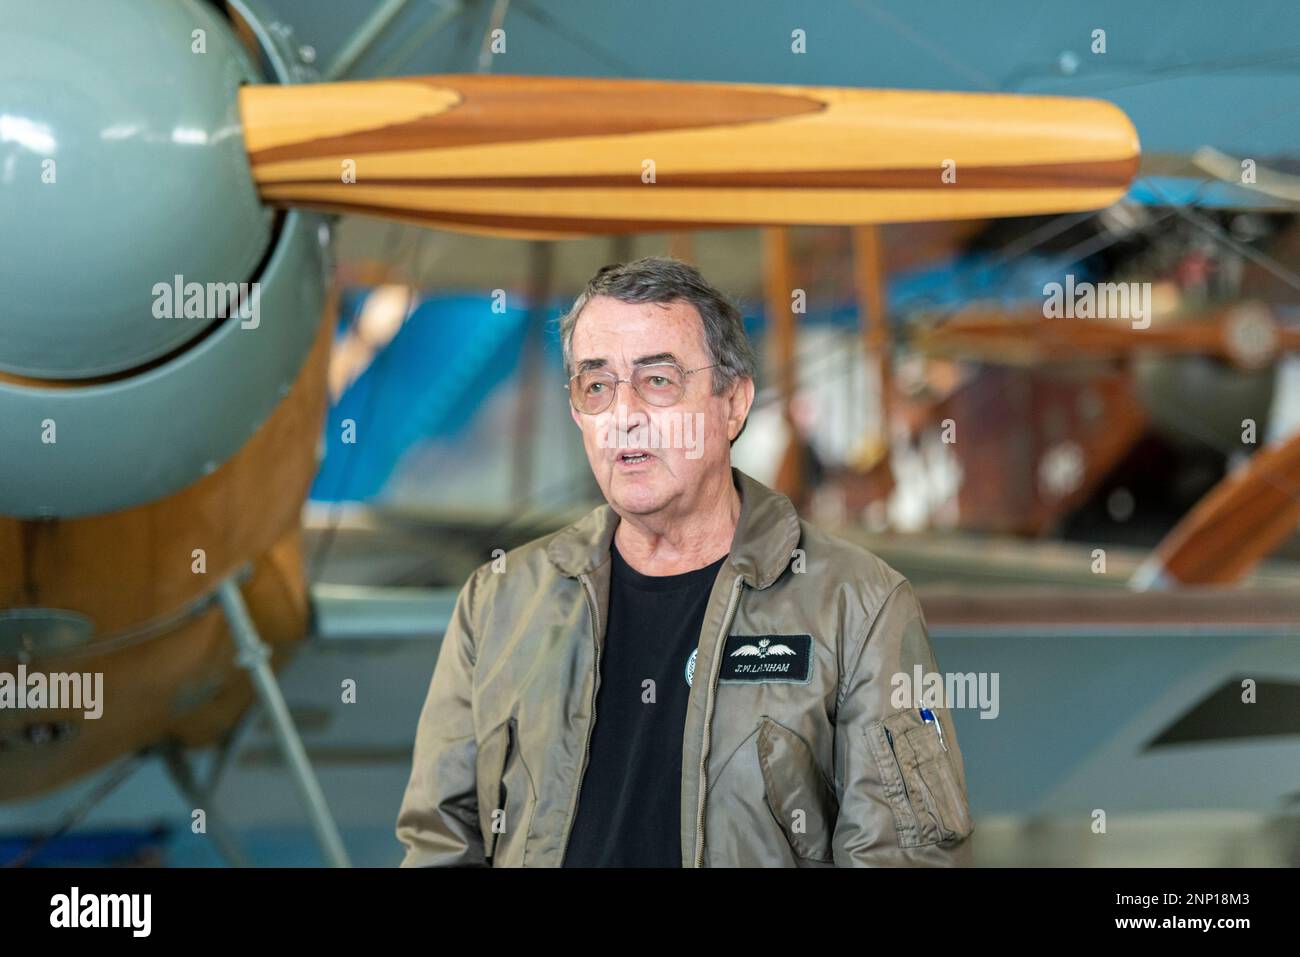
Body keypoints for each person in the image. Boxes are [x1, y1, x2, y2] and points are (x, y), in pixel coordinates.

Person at [396, 256, 974, 867]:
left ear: (733, 404)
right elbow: (441, 841)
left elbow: (907, 858)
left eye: (659, 381)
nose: (624, 416)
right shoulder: (498, 601)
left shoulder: (858, 606)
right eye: (597, 386)